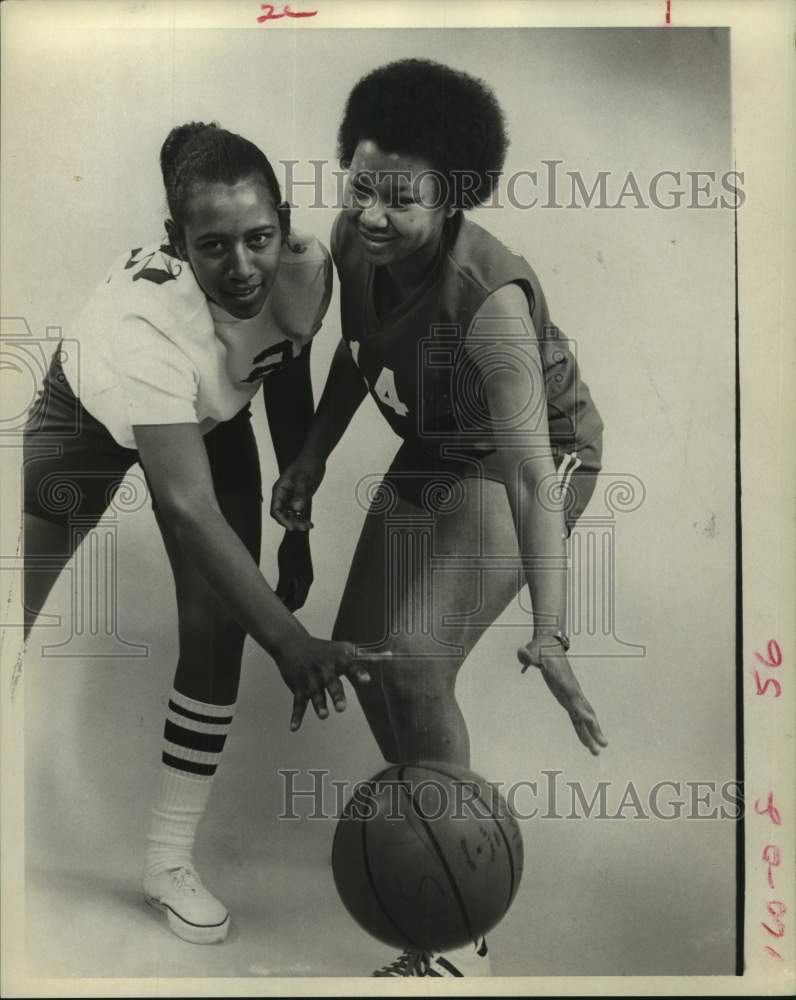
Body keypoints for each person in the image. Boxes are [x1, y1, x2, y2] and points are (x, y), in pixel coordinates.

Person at [271, 59, 609, 976]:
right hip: (438, 442)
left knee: (416, 663)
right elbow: (357, 352)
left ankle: (461, 930)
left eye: (400, 198)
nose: (372, 213)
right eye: (361, 185)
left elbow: (537, 475)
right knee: (367, 660)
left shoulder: (490, 304)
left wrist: (552, 631)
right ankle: (439, 860)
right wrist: (309, 455)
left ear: (453, 197)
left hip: (522, 464)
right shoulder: (354, 239)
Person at [22, 122, 370, 945]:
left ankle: (167, 861)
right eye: (214, 247)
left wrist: (297, 517)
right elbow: (185, 505)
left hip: (211, 420)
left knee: (217, 628)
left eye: (259, 238)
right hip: (90, 418)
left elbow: (283, 371)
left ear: (284, 223)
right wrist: (292, 642)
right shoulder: (148, 323)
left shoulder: (306, 268)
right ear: (177, 243)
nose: (243, 266)